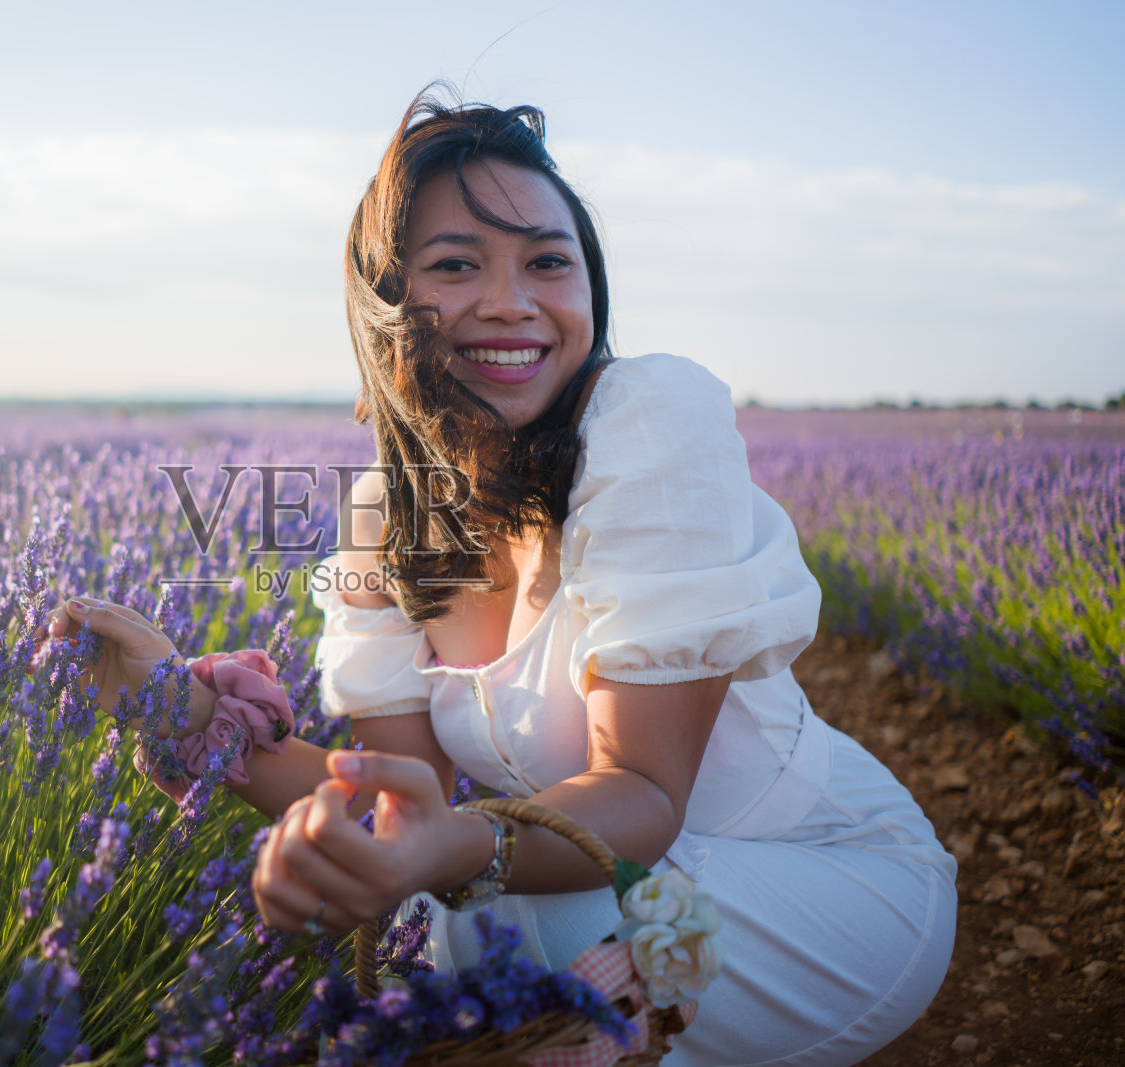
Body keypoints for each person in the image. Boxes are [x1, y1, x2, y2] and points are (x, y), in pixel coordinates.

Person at [47, 93, 957, 1066]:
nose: (511, 300)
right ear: (385, 306)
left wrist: (449, 848)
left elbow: (642, 799)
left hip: (809, 873)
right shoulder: (386, 516)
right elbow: (398, 801)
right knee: (471, 931)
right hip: (605, 873)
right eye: (455, 264)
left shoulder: (647, 423)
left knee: (520, 923)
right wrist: (171, 703)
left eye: (546, 260)